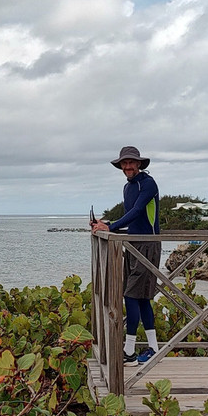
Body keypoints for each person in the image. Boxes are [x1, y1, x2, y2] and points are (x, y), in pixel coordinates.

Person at [91, 146, 161, 366]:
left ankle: (129, 351)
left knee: (132, 295)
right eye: (124, 163)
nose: (128, 167)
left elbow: (138, 211)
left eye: (131, 163)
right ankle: (153, 348)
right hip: (131, 245)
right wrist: (104, 225)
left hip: (147, 245)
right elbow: (129, 216)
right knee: (139, 298)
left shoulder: (148, 183)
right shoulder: (127, 187)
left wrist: (110, 226)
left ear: (139, 164)